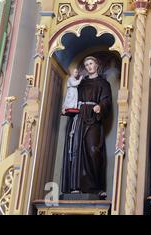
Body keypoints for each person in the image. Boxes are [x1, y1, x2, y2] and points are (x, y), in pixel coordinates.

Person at [61, 56, 112, 198]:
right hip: (78, 119)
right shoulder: (81, 83)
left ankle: (94, 187)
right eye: (86, 65)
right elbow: (72, 95)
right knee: (76, 150)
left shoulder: (103, 83)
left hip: (92, 119)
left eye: (91, 64)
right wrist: (67, 107)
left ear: (97, 65)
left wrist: (100, 106)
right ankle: (75, 186)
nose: (89, 66)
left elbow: (107, 101)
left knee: (93, 150)